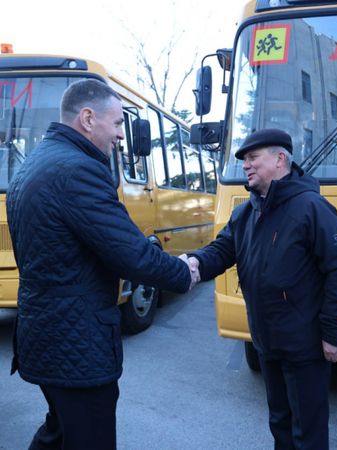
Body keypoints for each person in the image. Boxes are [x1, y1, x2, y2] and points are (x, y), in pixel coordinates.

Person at [6, 79, 198, 450]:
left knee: (59, 431)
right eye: (118, 123)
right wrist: (183, 272)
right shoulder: (78, 171)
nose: (121, 135)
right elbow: (130, 252)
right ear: (88, 118)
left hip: (44, 334)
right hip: (76, 342)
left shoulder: (34, 163)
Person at [185, 128, 337, 449]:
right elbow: (221, 251)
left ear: (280, 159)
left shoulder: (312, 208)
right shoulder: (245, 213)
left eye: (253, 158)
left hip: (305, 345)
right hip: (267, 341)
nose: (245, 165)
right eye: (244, 160)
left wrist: (335, 333)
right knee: (280, 422)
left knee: (308, 431)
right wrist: (193, 264)